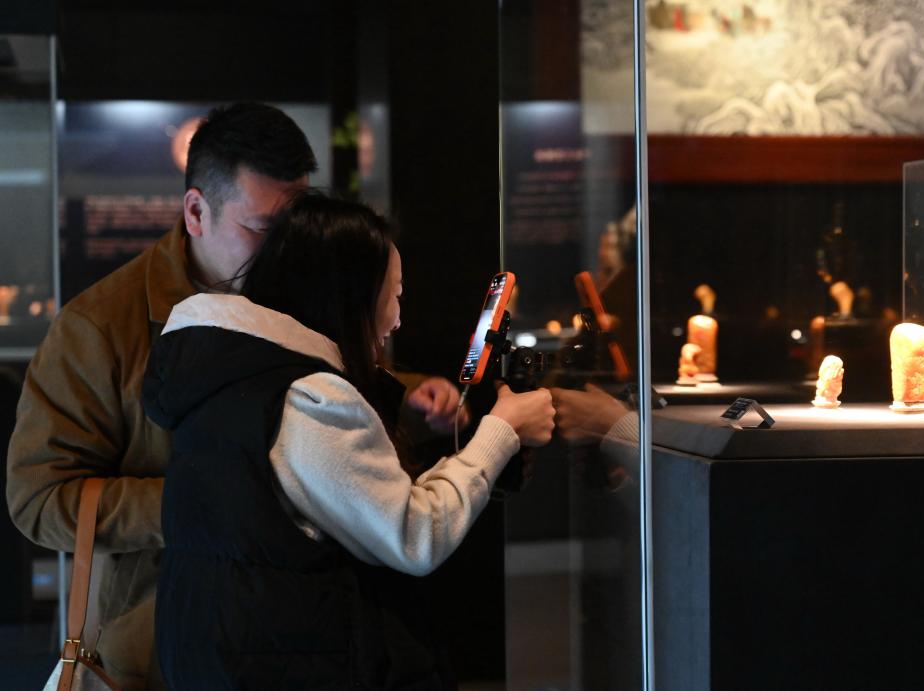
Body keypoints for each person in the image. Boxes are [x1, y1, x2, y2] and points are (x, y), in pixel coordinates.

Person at [5, 102, 466, 689]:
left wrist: (414, 399)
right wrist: (209, 501)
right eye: (265, 230)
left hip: (309, 642)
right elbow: (39, 497)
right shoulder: (98, 327)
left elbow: (324, 392)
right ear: (197, 211)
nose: (285, 247)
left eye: (297, 226)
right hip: (167, 648)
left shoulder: (291, 293)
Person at [141, 190, 555, 689]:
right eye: (394, 295)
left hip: (229, 658)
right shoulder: (311, 399)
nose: (397, 319)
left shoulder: (228, 376)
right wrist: (502, 430)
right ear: (349, 294)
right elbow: (414, 535)